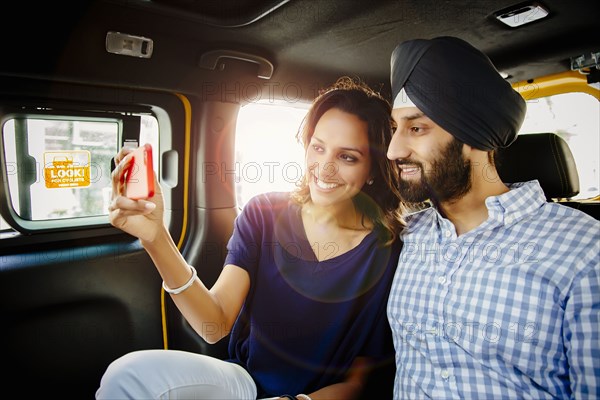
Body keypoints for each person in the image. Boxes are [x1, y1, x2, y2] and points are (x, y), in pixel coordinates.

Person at [97, 76, 404, 399]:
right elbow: (213, 324)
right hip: (243, 383)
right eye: (318, 147)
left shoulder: (387, 253)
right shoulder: (264, 213)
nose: (324, 168)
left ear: (372, 170)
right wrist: (156, 237)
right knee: (126, 376)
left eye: (347, 157)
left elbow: (360, 384)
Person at [385, 36, 600, 399]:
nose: (394, 149)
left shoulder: (583, 250)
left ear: (473, 136)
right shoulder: (408, 233)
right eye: (395, 128)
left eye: (417, 128)